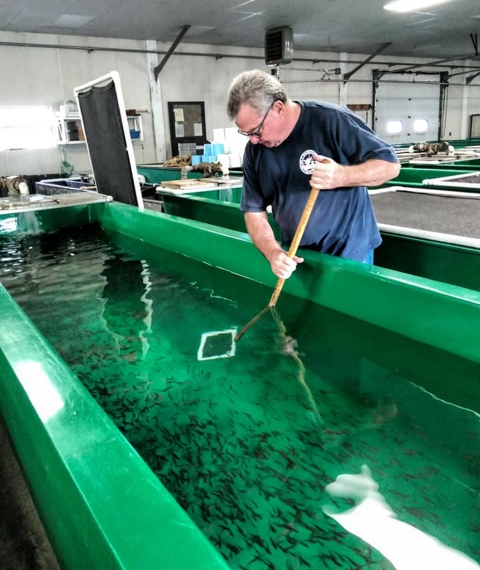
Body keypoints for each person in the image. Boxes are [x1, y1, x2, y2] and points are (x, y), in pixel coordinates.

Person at [226, 69, 400, 279]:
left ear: (278, 108)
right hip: (298, 254)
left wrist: (341, 176)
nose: (253, 140)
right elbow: (254, 211)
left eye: (256, 131)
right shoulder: (255, 151)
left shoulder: (331, 121)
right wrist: (272, 252)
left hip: (350, 253)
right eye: (246, 134)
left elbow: (390, 165)